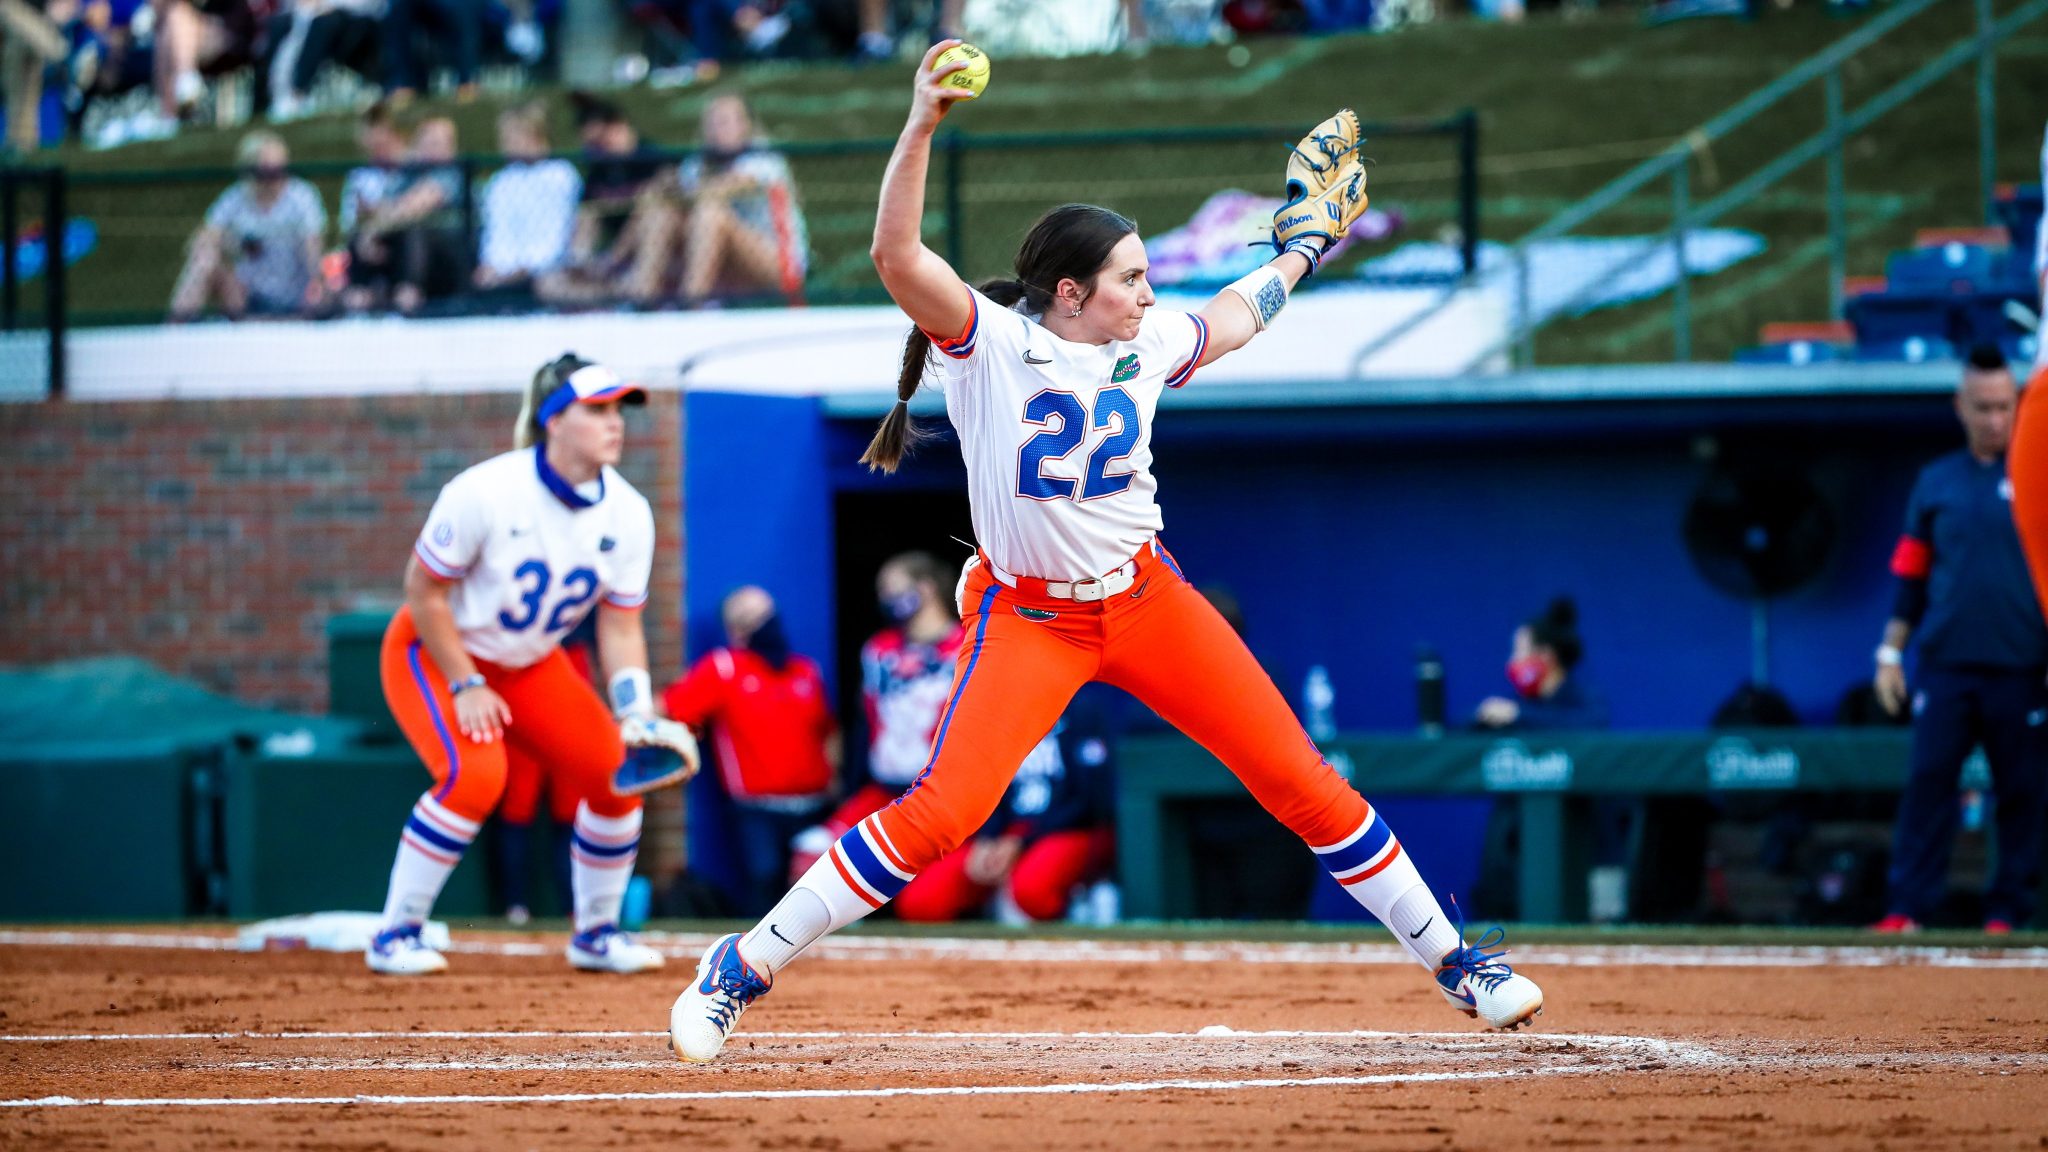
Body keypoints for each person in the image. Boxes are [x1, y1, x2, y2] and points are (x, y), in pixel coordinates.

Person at [668, 53, 1540, 1063]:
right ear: (1071, 291)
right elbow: (895, 254)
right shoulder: (991, 342)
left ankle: (1457, 963)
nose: (1148, 288)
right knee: (942, 815)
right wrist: (920, 121)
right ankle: (741, 964)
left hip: (1142, 597)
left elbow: (1231, 314)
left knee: (1298, 779)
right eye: (1129, 275)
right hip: (1030, 614)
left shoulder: (1146, 339)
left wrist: (1301, 244)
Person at [363, 352, 699, 975]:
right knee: (478, 776)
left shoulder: (629, 514)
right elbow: (423, 591)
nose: (614, 423)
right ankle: (395, 934)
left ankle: (596, 933)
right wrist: (464, 681)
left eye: (617, 410)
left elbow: (620, 627)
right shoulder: (486, 491)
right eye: (595, 410)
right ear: (553, 420)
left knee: (616, 774)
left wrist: (634, 711)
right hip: (435, 650)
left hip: (528, 663)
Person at [1873, 345, 2047, 935]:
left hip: (2022, 665)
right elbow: (1910, 574)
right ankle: (1907, 909)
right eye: (1984, 407)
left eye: (2005, 406)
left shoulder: (2035, 474)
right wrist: (1890, 651)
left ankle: (2007, 912)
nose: (1996, 419)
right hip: (1946, 665)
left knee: (2021, 794)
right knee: (1928, 785)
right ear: (1961, 405)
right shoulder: (1936, 481)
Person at [661, 585, 840, 916]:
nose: (765, 623)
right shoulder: (723, 667)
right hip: (757, 810)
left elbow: (828, 732)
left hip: (814, 805)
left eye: (767, 614)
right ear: (735, 629)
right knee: (766, 882)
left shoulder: (804, 670)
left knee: (821, 888)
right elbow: (672, 708)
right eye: (753, 618)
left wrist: (837, 784)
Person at [787, 551, 963, 882]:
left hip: (940, 792)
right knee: (813, 851)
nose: (884, 599)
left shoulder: (965, 645)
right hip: (885, 787)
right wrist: (851, 787)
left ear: (925, 589)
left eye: (892, 588)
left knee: (924, 892)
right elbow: (864, 723)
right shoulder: (879, 650)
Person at [893, 687, 1118, 923]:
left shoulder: (1081, 705)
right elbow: (979, 785)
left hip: (1067, 828)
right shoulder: (994, 710)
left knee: (1032, 893)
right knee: (921, 902)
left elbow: (1092, 800)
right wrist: (987, 838)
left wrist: (1022, 843)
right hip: (1008, 831)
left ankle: (1076, 909)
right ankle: (979, 926)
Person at [640, 90, 806, 307]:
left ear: (745, 125)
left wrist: (676, 189)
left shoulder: (763, 160)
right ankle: (640, 298)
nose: (717, 129)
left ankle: (692, 303)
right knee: (662, 213)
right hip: (725, 262)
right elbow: (668, 192)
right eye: (712, 123)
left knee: (710, 213)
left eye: (725, 122)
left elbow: (728, 187)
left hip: (777, 262)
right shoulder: (697, 164)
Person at [168, 130, 328, 321]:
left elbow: (313, 249)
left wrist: (317, 284)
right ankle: (172, 329)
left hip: (292, 297)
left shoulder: (301, 196)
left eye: (279, 169)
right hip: (244, 295)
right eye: (266, 170)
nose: (275, 178)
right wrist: (235, 244)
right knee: (205, 260)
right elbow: (201, 240)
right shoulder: (236, 197)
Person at [473, 100, 579, 301]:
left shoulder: (560, 175)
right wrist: (493, 265)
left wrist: (527, 267)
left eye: (515, 136)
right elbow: (497, 232)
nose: (508, 143)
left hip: (545, 271)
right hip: (501, 273)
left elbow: (556, 232)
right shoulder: (499, 182)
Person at [1472, 597, 1608, 732]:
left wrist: (1519, 715)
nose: (1512, 662)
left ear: (1546, 655)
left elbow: (1590, 724)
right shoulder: (1519, 702)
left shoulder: (1587, 702)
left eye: (1519, 651)